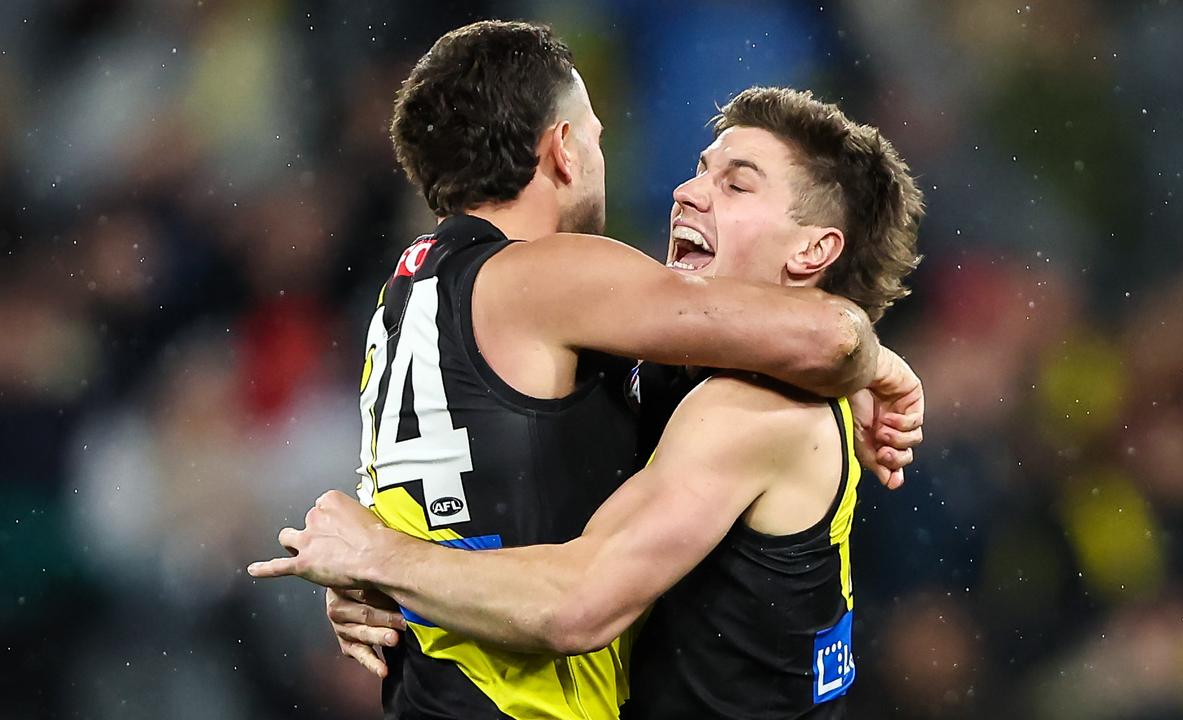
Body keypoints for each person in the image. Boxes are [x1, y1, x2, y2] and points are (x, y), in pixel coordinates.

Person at [248, 20, 917, 720]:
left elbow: (576, 601)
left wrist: (380, 559)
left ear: (814, 251)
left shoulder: (758, 407)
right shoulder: (623, 341)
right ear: (563, 148)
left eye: (736, 185)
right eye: (698, 170)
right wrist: (379, 571)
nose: (687, 193)